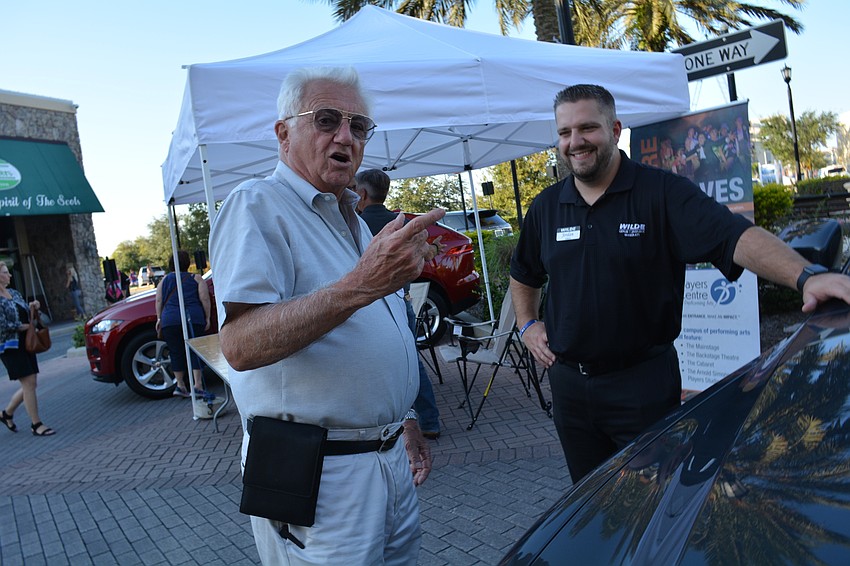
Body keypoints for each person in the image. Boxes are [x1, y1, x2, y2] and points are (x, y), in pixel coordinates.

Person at [509, 83, 850, 484]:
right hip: (569, 388)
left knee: (652, 501)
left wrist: (806, 275)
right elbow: (524, 273)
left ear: (616, 130)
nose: (575, 142)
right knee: (588, 504)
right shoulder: (547, 206)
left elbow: (733, 235)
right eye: (565, 132)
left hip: (642, 387)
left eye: (587, 128)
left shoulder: (660, 192)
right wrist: (527, 324)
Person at [209, 66, 442, 564]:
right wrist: (361, 284)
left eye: (359, 127)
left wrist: (402, 416)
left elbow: (369, 337)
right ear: (283, 132)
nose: (345, 136)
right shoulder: (257, 205)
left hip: (386, 460)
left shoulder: (351, 219)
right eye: (326, 119)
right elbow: (241, 345)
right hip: (321, 475)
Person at [353, 168, 442, 439]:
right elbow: (426, 255)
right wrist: (434, 249)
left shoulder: (355, 226)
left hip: (368, 308)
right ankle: (430, 421)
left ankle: (383, 422)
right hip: (403, 304)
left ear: (363, 193)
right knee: (410, 360)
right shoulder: (402, 223)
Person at [0, 262, 55, 437]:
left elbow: (24, 310)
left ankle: (6, 414)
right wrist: (20, 327)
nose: (9, 276)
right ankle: (36, 424)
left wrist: (33, 306)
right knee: (29, 383)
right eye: (5, 272)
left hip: (27, 343)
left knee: (30, 384)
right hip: (10, 347)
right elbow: (2, 324)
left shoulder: (14, 293)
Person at [155, 250, 211, 398]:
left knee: (175, 352)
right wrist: (208, 317)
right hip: (192, 318)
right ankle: (197, 385)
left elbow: (159, 300)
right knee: (195, 350)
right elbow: (205, 298)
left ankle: (180, 385)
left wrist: (159, 318)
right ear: (187, 263)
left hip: (170, 320)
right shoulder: (196, 278)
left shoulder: (164, 280)